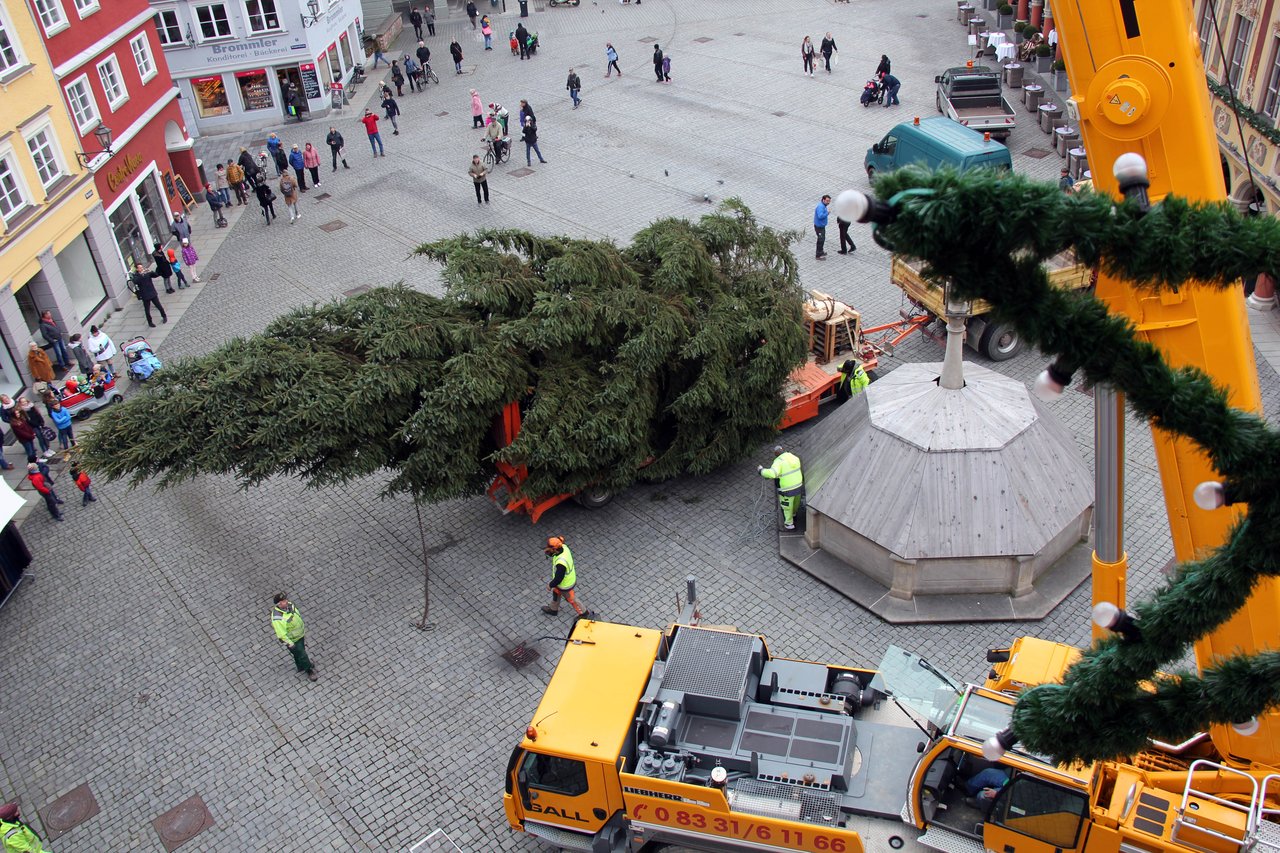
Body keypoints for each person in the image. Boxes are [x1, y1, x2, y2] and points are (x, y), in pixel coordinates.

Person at [271, 593, 318, 681]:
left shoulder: (289, 605)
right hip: (293, 640)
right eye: (284, 601)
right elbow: (281, 635)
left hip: (299, 634)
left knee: (298, 653)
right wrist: (290, 644)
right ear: (279, 604)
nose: (287, 601)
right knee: (302, 654)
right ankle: (309, 670)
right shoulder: (277, 618)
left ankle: (300, 666)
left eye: (286, 599)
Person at [759, 445, 804, 530]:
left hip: (786, 489)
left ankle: (789, 524)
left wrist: (761, 471)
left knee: (786, 507)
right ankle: (794, 514)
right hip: (798, 486)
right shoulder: (793, 457)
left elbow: (772, 473)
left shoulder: (778, 461)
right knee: (795, 503)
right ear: (783, 450)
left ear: (776, 453)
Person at [541, 536, 586, 617]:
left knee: (572, 600)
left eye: (548, 549)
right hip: (565, 581)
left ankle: (584, 614)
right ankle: (553, 609)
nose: (546, 551)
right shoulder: (564, 547)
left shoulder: (561, 563)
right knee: (556, 592)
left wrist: (550, 585)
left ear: (554, 549)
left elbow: (558, 579)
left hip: (565, 585)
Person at [129, 262, 167, 327]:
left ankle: (164, 316)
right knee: (147, 310)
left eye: (142, 267)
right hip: (145, 295)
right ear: (137, 269)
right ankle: (150, 322)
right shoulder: (136, 275)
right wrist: (141, 275)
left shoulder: (147, 273)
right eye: (140, 268)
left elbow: (155, 275)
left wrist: (151, 272)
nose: (142, 268)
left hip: (152, 293)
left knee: (159, 306)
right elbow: (135, 281)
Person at [813, 194, 830, 260]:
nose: (828, 202)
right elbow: (820, 216)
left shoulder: (824, 206)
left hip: (822, 226)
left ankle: (821, 251)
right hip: (819, 227)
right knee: (820, 240)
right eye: (827, 201)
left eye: (829, 201)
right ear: (823, 200)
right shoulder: (821, 207)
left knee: (822, 239)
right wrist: (827, 213)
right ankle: (818, 255)